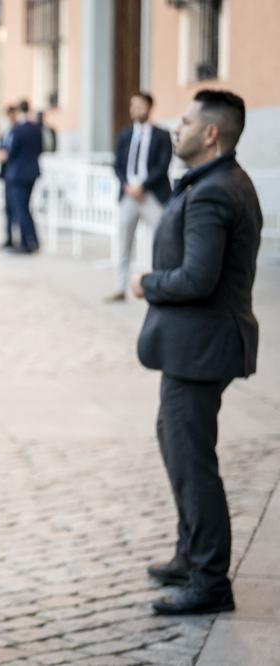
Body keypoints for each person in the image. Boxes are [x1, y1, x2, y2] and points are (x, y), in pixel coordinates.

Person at [131, 90, 261, 616]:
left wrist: (147, 282)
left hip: (201, 347)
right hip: (193, 345)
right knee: (175, 442)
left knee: (193, 461)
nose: (175, 129)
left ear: (210, 134)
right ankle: (190, 555)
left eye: (184, 122)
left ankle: (210, 581)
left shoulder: (214, 192)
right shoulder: (215, 181)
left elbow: (197, 278)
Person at [107, 92, 173, 301]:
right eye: (132, 105)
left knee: (162, 240)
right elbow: (117, 165)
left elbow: (163, 165)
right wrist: (127, 186)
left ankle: (159, 285)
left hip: (152, 195)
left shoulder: (162, 135)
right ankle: (120, 288)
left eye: (139, 105)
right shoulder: (125, 135)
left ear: (149, 107)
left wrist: (143, 186)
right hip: (128, 196)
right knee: (123, 242)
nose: (135, 109)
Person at [0, 100, 42, 253]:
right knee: (25, 208)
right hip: (31, 173)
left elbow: (10, 152)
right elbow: (40, 149)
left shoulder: (17, 130)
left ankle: (26, 242)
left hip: (17, 175)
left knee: (20, 209)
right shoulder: (36, 128)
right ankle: (33, 240)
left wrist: (2, 156)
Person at [0, 105, 18, 248]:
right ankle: (9, 237)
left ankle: (20, 238)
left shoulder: (20, 131)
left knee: (18, 208)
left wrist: (7, 155)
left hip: (17, 175)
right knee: (8, 208)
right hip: (7, 174)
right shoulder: (7, 132)